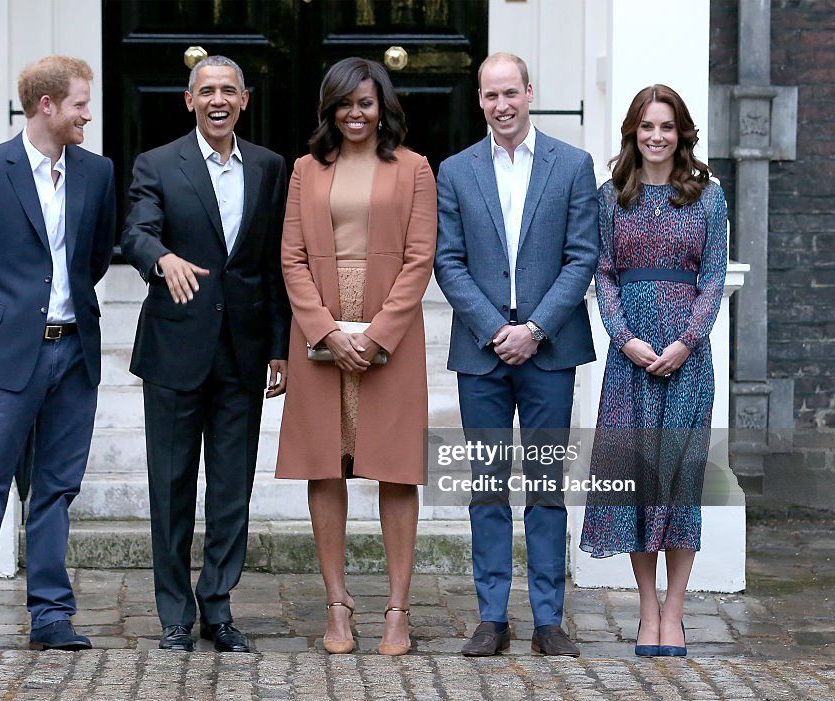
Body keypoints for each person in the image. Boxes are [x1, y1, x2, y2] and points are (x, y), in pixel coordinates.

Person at [0, 56, 115, 651]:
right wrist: (4, 313)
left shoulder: (98, 172)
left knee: (56, 489)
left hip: (74, 353)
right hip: (10, 353)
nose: (88, 114)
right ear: (48, 106)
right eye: (80, 104)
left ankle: (51, 616)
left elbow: (91, 260)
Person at [120, 56, 290, 654]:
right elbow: (137, 231)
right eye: (206, 91)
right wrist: (158, 259)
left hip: (242, 355)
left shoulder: (271, 167)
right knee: (170, 487)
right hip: (174, 350)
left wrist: (279, 347)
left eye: (229, 91)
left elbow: (272, 263)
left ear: (245, 99)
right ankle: (174, 614)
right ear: (188, 100)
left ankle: (217, 608)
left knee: (230, 492)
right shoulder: (158, 163)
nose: (218, 100)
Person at [433, 52, 598, 657]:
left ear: (530, 91)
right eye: (490, 95)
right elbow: (446, 261)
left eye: (511, 93)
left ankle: (549, 618)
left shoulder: (573, 166)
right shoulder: (454, 171)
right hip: (481, 354)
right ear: (479, 100)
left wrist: (535, 329)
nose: (501, 105)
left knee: (548, 485)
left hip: (549, 353)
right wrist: (492, 328)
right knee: (487, 486)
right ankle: (492, 616)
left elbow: (582, 257)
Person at [276, 57, 437, 656]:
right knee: (326, 464)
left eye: (365, 102)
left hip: (389, 334)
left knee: (396, 468)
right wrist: (324, 330)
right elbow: (291, 256)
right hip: (320, 329)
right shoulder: (304, 170)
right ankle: (337, 605)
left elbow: (421, 258)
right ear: (330, 109)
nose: (354, 113)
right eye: (344, 103)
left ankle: (398, 608)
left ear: (382, 106)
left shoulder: (415, 168)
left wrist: (376, 336)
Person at [579, 85, 728, 658]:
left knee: (680, 485)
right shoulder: (611, 196)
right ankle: (646, 610)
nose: (657, 137)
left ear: (681, 131)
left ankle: (676, 611)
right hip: (630, 362)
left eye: (666, 126)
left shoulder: (708, 197)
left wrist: (688, 341)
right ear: (632, 133)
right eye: (646, 127)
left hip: (688, 364)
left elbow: (713, 276)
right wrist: (627, 339)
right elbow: (606, 276)